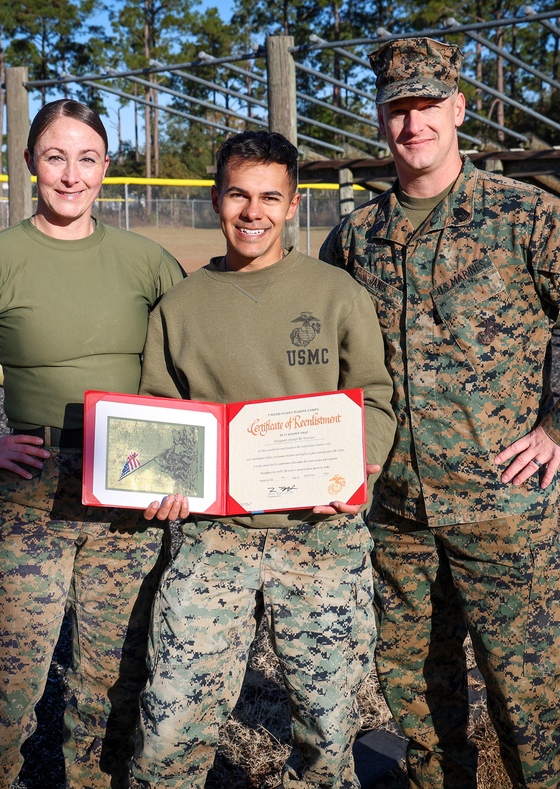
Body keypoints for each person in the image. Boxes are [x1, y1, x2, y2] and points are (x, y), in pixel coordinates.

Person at [320, 38, 560, 789]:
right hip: (396, 514)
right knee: (417, 695)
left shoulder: (523, 217)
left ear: (459, 109)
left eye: (429, 105)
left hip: (500, 510)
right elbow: (323, 358)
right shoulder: (355, 240)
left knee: (528, 701)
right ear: (381, 121)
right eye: (399, 109)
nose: (415, 125)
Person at [0, 99, 185, 789]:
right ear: (29, 164)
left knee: (112, 680)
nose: (70, 175)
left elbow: (191, 367)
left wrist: (184, 469)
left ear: (107, 169)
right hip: (32, 489)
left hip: (128, 486)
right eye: (55, 157)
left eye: (86, 159)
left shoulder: (147, 262)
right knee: (4, 683)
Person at [127, 130, 397, 788]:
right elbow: (162, 411)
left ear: (293, 202)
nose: (253, 211)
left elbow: (377, 397)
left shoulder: (336, 294)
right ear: (216, 199)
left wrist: (357, 469)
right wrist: (164, 484)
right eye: (239, 194)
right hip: (212, 537)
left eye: (270, 196)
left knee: (330, 728)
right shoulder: (181, 306)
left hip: (318, 533)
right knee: (171, 723)